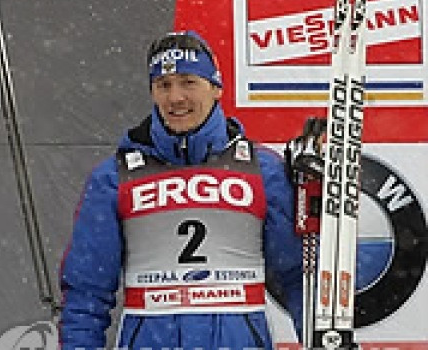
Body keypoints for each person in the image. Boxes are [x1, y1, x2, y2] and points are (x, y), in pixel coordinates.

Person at [58, 31, 306, 350]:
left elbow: (299, 276)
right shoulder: (115, 176)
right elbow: (86, 292)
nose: (175, 98)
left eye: (188, 82)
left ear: (216, 88)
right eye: (164, 85)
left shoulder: (263, 170)